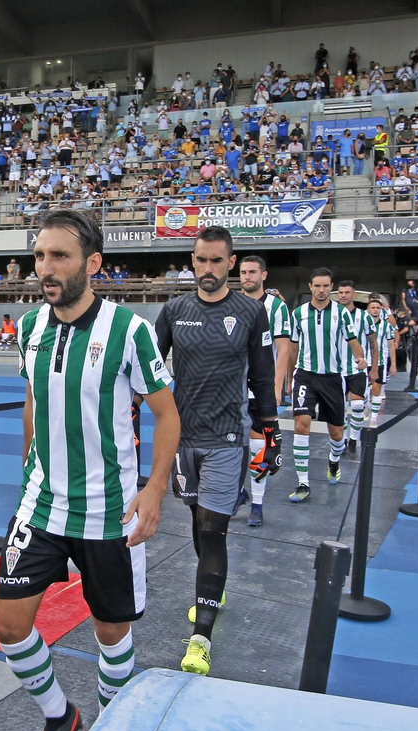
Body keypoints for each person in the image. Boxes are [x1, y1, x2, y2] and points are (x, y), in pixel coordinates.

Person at [0, 209, 179, 731]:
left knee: (110, 632)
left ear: (92, 264)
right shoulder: (28, 329)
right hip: (41, 504)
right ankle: (59, 717)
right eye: (39, 256)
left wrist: (154, 488)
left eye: (59, 257)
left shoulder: (129, 330)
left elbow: (167, 414)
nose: (44, 268)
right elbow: (32, 399)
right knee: (7, 624)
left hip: (108, 510)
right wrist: (30, 462)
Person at [155, 226, 277, 675]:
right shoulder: (173, 310)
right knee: (197, 523)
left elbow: (263, 377)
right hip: (183, 440)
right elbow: (150, 371)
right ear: (193, 260)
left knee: (212, 530)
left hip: (228, 438)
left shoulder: (250, 312)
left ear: (231, 263)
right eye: (200, 260)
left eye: (216, 261)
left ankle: (200, 639)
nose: (207, 269)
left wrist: (271, 431)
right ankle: (214, 586)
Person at [288, 268, 365, 500]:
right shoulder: (299, 313)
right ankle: (303, 483)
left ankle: (333, 461)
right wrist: (287, 377)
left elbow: (353, 341)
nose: (321, 290)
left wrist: (360, 358)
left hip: (332, 378)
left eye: (325, 286)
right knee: (301, 425)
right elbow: (292, 346)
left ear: (331, 287)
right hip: (305, 376)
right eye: (317, 286)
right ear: (310, 287)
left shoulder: (342, 314)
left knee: (337, 433)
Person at [235, 255, 294, 528]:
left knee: (260, 447)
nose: (247, 276)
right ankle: (238, 493)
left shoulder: (276, 306)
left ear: (263, 276)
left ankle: (257, 505)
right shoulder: (232, 303)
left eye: (252, 272)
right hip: (233, 388)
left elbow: (283, 349)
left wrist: (277, 385)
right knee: (231, 447)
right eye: (243, 272)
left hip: (260, 388)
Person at [335, 280, 370, 456]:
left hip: (357, 369)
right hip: (336, 369)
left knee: (356, 405)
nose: (343, 295)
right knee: (339, 408)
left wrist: (375, 366)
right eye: (340, 292)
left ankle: (354, 439)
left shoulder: (364, 317)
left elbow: (373, 342)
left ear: (353, 294)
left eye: (347, 292)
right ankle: (340, 441)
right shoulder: (332, 314)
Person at [363, 296, 397, 424]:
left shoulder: (387, 327)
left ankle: (373, 419)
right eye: (373, 307)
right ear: (368, 310)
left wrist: (393, 364)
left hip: (381, 361)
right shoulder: (362, 324)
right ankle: (367, 406)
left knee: (376, 390)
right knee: (363, 391)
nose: (375, 310)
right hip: (364, 361)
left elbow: (391, 346)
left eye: (378, 308)